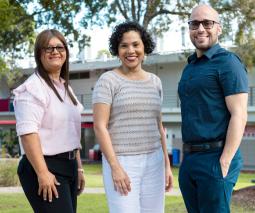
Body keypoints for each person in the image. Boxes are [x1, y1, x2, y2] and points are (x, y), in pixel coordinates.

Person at [92, 21, 173, 213]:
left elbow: (158, 125)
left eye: (136, 44)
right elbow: (100, 126)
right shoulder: (108, 81)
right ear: (117, 50)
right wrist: (115, 167)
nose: (131, 50)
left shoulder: (155, 81)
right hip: (122, 161)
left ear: (144, 46)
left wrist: (166, 165)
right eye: (124, 45)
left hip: (154, 161)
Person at [178, 4, 248, 213]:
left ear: (219, 28)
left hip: (216, 157)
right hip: (190, 159)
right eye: (194, 23)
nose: (200, 29)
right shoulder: (189, 67)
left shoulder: (228, 63)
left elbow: (239, 114)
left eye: (207, 23)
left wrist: (224, 161)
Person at [13, 29, 85, 213]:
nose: (55, 51)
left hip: (68, 166)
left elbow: (71, 133)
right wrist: (43, 172)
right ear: (39, 54)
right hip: (44, 166)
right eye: (48, 48)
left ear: (66, 52)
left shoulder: (65, 88)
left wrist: (78, 168)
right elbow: (28, 134)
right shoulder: (32, 89)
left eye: (59, 47)